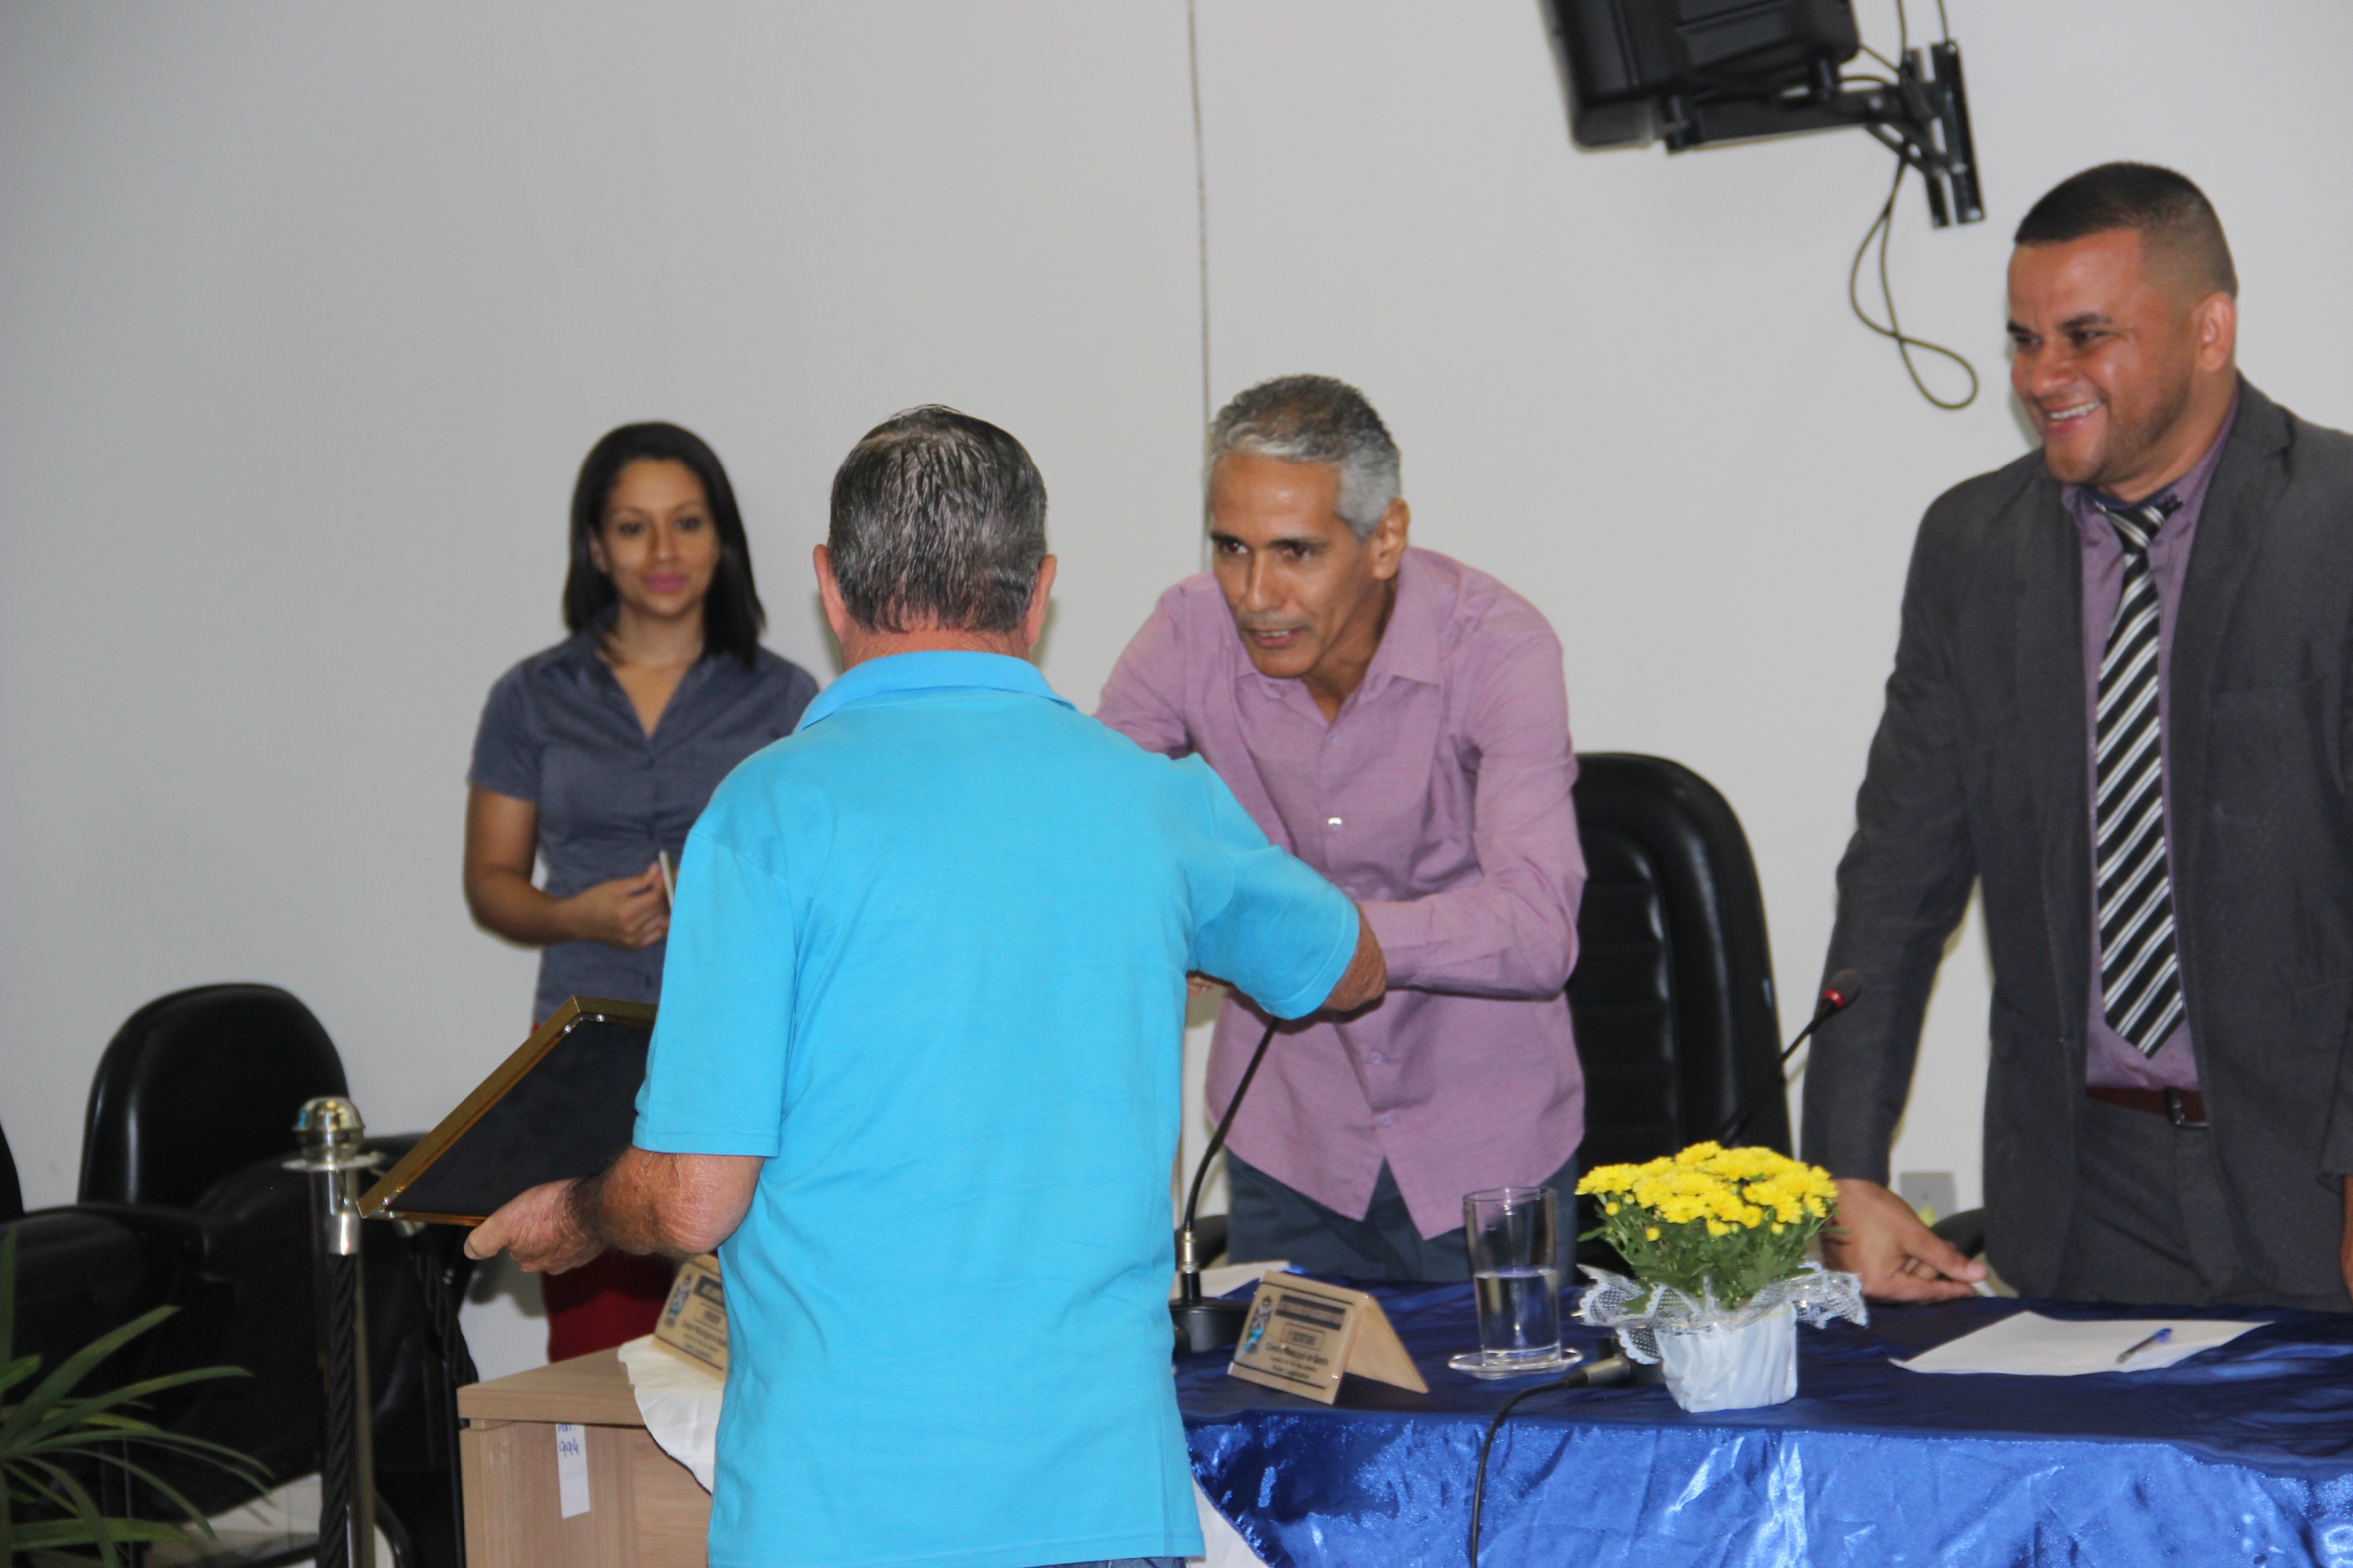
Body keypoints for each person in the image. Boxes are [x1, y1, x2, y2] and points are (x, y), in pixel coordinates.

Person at [466, 406, 1386, 1568]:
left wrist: (577, 1210)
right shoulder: (1151, 798)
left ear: (830, 588)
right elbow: (1349, 965)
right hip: (1101, 1496)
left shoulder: (765, 811)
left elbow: (694, 1198)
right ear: (1039, 592)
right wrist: (1182, 940)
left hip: (840, 1508)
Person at [1807, 163, 2353, 1312]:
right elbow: (1898, 873)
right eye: (2024, 339)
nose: (2041, 376)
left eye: (2086, 336)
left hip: (2321, 1175)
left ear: (2211, 330)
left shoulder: (2338, 521)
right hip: (2080, 1197)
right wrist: (1845, 1167)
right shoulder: (1971, 545)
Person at [1096, 374, 1584, 1282]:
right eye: (1232, 548)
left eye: (1296, 552)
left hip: (1486, 1144)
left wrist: (1326, 936)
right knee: (1286, 1387)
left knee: (1494, 1385)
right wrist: (1184, 912)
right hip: (1291, 1140)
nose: (1256, 594)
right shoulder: (1188, 631)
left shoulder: (1498, 647)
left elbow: (1539, 927)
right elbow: (1099, 824)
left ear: (1385, 538)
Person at [462, 422, 819, 1358]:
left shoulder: (785, 698)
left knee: (752, 1334)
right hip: (585, 1039)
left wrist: (730, 904)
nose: (663, 551)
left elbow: (824, 880)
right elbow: (490, 883)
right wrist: (571, 914)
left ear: (722, 539)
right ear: (595, 546)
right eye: (633, 527)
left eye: (687, 523)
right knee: (595, 1340)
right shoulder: (531, 696)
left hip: (743, 1037)